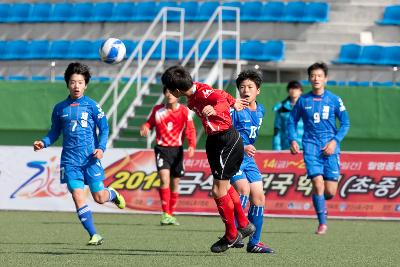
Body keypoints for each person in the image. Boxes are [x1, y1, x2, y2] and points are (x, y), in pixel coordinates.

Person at [161, 65, 255, 253]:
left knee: (217, 191)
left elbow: (217, 99)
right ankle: (244, 225)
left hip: (225, 140)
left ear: (177, 90)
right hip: (213, 141)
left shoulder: (203, 93)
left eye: (170, 89)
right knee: (225, 187)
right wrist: (233, 101)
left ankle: (231, 235)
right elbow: (222, 94)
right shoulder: (193, 92)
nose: (168, 92)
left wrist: (217, 107)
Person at [33, 62, 125, 245]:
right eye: (73, 82)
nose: (77, 86)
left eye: (80, 82)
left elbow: (104, 129)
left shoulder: (93, 106)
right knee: (77, 194)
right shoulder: (59, 108)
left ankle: (112, 194)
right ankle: (94, 234)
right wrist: (43, 142)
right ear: (67, 83)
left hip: (90, 159)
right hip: (70, 161)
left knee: (99, 197)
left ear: (86, 85)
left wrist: (101, 148)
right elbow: (54, 132)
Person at [288, 62, 350, 235]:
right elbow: (291, 121)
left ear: (325, 79)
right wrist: (293, 139)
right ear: (309, 78)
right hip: (310, 146)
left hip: (330, 147)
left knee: (329, 191)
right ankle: (322, 223)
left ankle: (321, 201)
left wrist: (334, 141)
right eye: (313, 76)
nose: (316, 79)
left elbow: (345, 123)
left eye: (319, 76)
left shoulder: (334, 99)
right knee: (317, 182)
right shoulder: (303, 100)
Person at [230, 70, 274, 253]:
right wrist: (242, 145)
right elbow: (225, 133)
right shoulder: (234, 109)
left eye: (249, 87)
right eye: (242, 87)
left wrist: (247, 148)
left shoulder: (261, 110)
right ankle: (232, 234)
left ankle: (254, 242)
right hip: (233, 155)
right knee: (243, 189)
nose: (245, 90)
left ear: (258, 90)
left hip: (248, 159)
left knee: (259, 197)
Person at [140, 87, 196, 226]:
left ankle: (170, 213)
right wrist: (146, 126)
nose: (169, 95)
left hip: (177, 150)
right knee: (164, 179)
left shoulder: (184, 111)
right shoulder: (158, 110)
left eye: (173, 92)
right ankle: (165, 214)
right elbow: (150, 122)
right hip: (162, 149)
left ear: (178, 94)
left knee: (175, 183)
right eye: (167, 92)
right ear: (164, 93)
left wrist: (192, 145)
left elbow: (190, 128)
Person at [273, 80, 304, 150]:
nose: (293, 90)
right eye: (291, 88)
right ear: (288, 90)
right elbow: (277, 129)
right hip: (287, 147)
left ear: (300, 91)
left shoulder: (307, 106)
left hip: (304, 147)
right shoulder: (281, 107)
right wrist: (277, 148)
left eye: (296, 88)